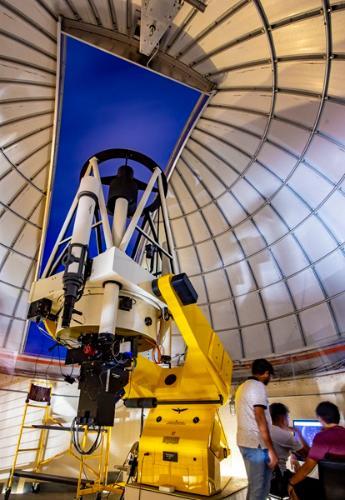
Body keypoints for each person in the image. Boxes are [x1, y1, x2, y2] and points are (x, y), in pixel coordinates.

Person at [235, 358, 278, 500]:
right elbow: (260, 417)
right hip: (256, 445)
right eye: (269, 376)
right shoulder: (258, 386)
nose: (269, 379)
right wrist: (271, 449)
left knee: (258, 486)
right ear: (266, 373)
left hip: (245, 442)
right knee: (259, 489)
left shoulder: (242, 387)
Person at [288, 401, 345, 500]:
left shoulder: (322, 437)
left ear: (320, 418)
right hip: (339, 489)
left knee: (296, 483)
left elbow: (307, 468)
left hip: (328, 490)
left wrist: (291, 482)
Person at [269, 403, 309, 497]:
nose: (288, 420)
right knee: (314, 484)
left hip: (265, 481)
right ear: (282, 418)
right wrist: (298, 432)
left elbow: (277, 448)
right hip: (279, 482)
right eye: (287, 417)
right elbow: (307, 454)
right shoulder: (284, 435)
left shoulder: (265, 430)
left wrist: (292, 454)